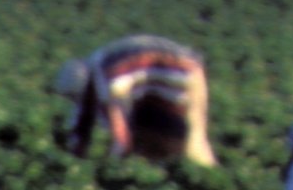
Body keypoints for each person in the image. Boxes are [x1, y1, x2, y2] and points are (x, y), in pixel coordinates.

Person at [52, 36, 217, 167]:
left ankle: (206, 184)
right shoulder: (97, 62)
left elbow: (121, 135)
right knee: (177, 139)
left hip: (177, 71)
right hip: (187, 67)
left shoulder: (106, 78)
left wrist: (114, 166)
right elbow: (83, 122)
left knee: (190, 142)